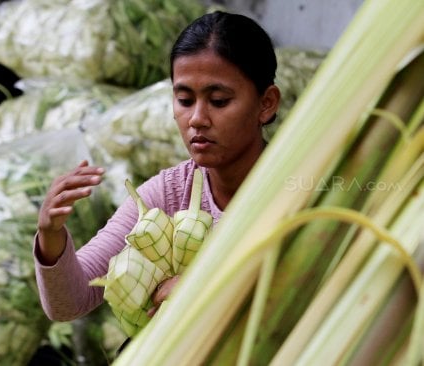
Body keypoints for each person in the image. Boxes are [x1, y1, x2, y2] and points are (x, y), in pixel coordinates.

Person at [33, 10, 281, 330]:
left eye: (218, 100)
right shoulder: (169, 192)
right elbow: (71, 301)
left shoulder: (299, 186)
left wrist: (202, 288)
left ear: (266, 103)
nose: (197, 118)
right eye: (184, 99)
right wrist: (50, 235)